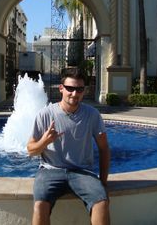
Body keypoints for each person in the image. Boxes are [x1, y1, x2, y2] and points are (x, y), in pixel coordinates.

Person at [27, 67, 110, 225]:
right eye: (70, 88)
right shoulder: (45, 114)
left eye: (79, 89)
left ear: (84, 91)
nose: (74, 93)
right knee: (39, 205)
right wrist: (44, 141)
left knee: (101, 202)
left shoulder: (92, 115)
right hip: (50, 171)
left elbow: (104, 148)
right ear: (61, 88)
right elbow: (31, 150)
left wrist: (103, 183)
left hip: (83, 172)